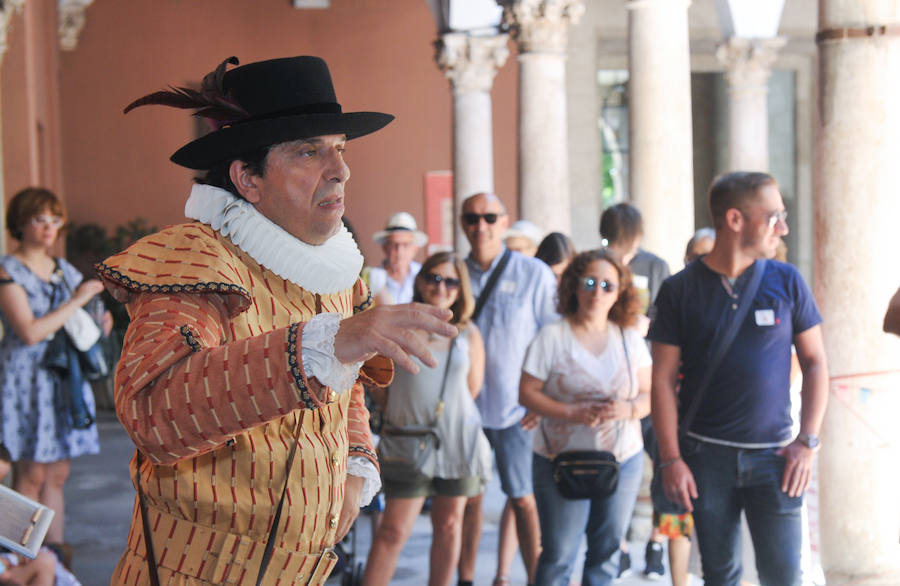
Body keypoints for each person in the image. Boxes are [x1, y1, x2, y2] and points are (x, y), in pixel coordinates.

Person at [99, 56, 455, 585]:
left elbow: (346, 383)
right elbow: (153, 412)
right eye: (309, 151)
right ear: (248, 178)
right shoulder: (196, 260)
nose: (340, 169)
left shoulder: (337, 271)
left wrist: (356, 465)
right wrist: (327, 342)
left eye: (340, 148)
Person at [649, 171, 829, 586]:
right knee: (720, 574)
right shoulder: (679, 291)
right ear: (735, 220)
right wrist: (672, 459)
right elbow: (661, 380)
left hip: (778, 458)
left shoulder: (787, 281)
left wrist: (807, 441)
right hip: (705, 458)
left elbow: (816, 361)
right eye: (773, 216)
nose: (782, 227)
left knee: (784, 576)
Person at [520, 249, 651, 586]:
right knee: (558, 555)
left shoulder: (629, 338)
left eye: (607, 285)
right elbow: (527, 392)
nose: (597, 292)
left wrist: (629, 409)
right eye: (589, 282)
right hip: (559, 460)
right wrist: (571, 412)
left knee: (606, 555)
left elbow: (650, 394)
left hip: (621, 459)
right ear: (574, 286)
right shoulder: (553, 336)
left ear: (620, 291)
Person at [362, 252, 491, 586]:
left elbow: (473, 388)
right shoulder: (397, 325)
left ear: (460, 289)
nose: (441, 286)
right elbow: (380, 384)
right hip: (407, 439)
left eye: (450, 281)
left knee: (449, 527)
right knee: (392, 531)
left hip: (458, 441)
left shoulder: (468, 334)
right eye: (434, 277)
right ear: (420, 281)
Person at [0, 187, 108, 559]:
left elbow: (77, 325)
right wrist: (78, 300)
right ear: (20, 223)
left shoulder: (63, 270)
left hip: (65, 378)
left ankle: (55, 558)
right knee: (30, 474)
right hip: (26, 379)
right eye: (39, 219)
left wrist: (98, 322)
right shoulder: (6, 270)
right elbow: (29, 332)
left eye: (54, 219)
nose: (49, 228)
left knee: (58, 474)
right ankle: (21, 559)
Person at [457, 192, 558, 586]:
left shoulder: (534, 274)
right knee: (470, 500)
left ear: (504, 221)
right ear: (463, 223)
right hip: (467, 411)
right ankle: (465, 578)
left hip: (518, 410)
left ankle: (536, 580)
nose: (480, 226)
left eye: (488, 217)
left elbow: (553, 340)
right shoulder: (455, 273)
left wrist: (544, 397)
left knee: (523, 498)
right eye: (471, 218)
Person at [599, 202, 669, 579]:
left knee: (664, 466)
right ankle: (620, 547)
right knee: (613, 468)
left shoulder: (656, 267)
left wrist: (646, 326)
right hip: (610, 383)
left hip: (650, 383)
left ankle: (659, 543)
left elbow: (668, 324)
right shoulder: (596, 266)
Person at [366, 212, 427, 305]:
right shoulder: (371, 278)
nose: (399, 251)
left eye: (406, 245)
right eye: (394, 245)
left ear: (415, 249)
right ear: (385, 247)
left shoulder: (424, 275)